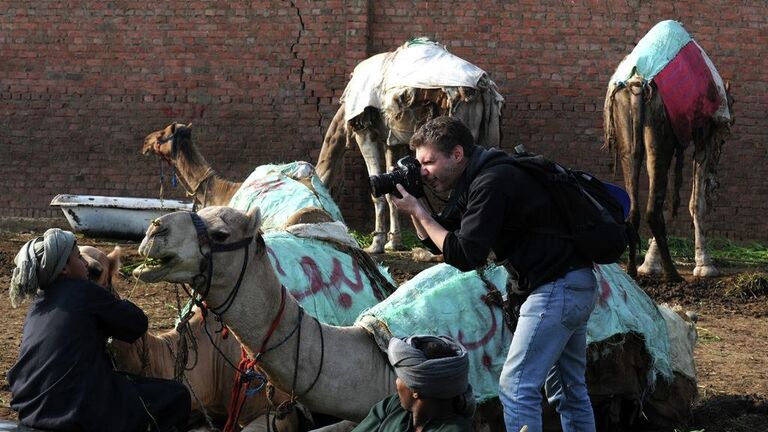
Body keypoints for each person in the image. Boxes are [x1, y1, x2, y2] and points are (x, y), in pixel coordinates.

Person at [392, 116, 598, 432]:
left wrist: (419, 212)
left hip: (555, 288)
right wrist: (416, 202)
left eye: (429, 162)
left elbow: (464, 255)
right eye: (419, 165)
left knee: (516, 386)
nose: (423, 171)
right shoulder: (483, 175)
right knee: (568, 390)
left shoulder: (491, 182)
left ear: (457, 154)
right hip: (574, 283)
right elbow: (444, 239)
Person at [7, 228, 191, 432]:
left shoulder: (38, 303)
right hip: (75, 410)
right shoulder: (84, 291)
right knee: (176, 396)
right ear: (64, 270)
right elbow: (137, 324)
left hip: (32, 409)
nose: (85, 263)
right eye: (78, 257)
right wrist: (113, 298)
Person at [352, 335, 474, 432]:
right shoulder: (393, 406)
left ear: (415, 391)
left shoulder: (455, 429)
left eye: (400, 377)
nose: (397, 382)